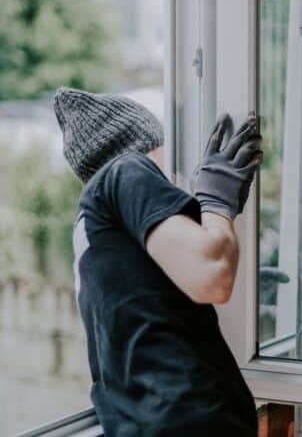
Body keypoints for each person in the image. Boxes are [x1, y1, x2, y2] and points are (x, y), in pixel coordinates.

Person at [54, 87, 262, 436]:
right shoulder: (126, 170)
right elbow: (212, 275)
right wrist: (215, 202)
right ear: (148, 145)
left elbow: (150, 308)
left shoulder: (95, 228)